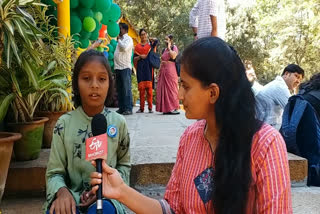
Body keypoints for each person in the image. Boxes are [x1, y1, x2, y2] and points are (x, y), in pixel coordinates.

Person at [90, 37, 292, 214]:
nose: (178, 95)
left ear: (212, 93)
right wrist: (121, 191)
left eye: (185, 86)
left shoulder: (266, 145)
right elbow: (172, 209)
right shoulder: (190, 138)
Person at [45, 50, 131, 214]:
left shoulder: (118, 123)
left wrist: (106, 189)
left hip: (108, 197)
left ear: (109, 84)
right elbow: (54, 173)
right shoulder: (63, 124)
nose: (94, 85)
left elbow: (124, 166)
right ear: (76, 84)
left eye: (102, 79)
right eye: (86, 78)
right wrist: (62, 192)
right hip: (71, 198)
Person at [256, 64, 304, 130]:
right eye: (296, 76)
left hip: (262, 129)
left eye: (300, 80)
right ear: (286, 74)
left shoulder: (278, 85)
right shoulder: (280, 87)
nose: (298, 81)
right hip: (262, 132)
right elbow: (294, 111)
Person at [156, 34, 180, 115]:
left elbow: (173, 56)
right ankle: (166, 109)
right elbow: (161, 61)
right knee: (163, 89)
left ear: (171, 40)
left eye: (167, 39)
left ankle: (173, 108)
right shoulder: (163, 50)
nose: (165, 41)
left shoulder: (174, 47)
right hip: (163, 71)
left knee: (171, 89)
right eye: (165, 39)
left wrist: (169, 47)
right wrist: (158, 72)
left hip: (171, 70)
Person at [134, 29, 156, 113]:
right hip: (140, 69)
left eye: (145, 34)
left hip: (149, 69)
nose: (143, 36)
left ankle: (150, 108)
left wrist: (151, 40)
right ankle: (141, 108)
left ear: (147, 35)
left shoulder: (150, 46)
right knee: (141, 90)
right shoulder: (137, 47)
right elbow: (134, 59)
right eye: (142, 35)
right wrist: (140, 57)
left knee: (149, 90)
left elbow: (156, 42)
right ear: (140, 36)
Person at [114, 23, 134, 115]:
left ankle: (128, 108)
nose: (118, 30)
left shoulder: (128, 39)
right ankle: (121, 108)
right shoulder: (121, 40)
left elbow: (125, 48)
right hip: (118, 67)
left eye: (120, 28)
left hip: (125, 67)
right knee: (120, 89)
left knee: (126, 89)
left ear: (125, 30)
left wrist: (119, 40)